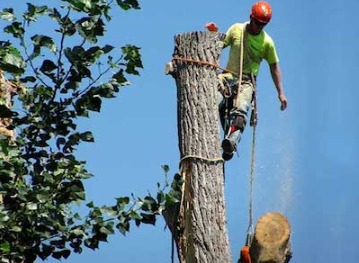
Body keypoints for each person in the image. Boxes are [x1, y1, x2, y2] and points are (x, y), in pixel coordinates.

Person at [206, 1, 288, 161]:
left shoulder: (267, 43)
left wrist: (281, 93)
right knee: (211, 103)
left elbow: (274, 67)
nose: (258, 27)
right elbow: (217, 47)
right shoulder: (237, 29)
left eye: (262, 25)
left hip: (246, 83)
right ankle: (211, 137)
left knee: (240, 112)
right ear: (251, 17)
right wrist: (213, 34)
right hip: (227, 78)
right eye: (257, 22)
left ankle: (231, 143)